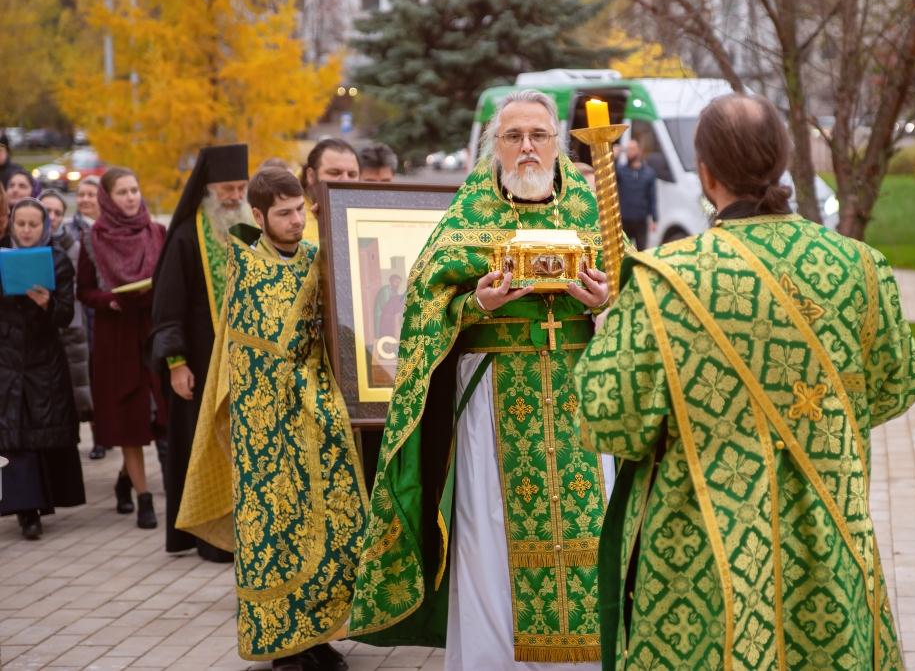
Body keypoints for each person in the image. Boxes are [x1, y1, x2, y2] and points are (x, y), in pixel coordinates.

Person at [575, 93, 915, 670]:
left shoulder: (666, 281)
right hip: (828, 535)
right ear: (783, 163)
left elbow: (609, 420)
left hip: (701, 555)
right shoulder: (860, 266)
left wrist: (612, 330)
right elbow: (898, 384)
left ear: (706, 173)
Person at [349, 89, 614, 668]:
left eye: (538, 136)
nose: (525, 148)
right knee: (489, 537)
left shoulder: (594, 211)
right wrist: (476, 303)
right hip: (493, 400)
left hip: (577, 400)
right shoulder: (469, 213)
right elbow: (423, 305)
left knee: (590, 535)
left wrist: (605, 304)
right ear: (494, 144)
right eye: (512, 136)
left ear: (557, 144)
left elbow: (633, 300)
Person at [176, 167, 367, 671]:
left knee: (330, 527)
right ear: (258, 216)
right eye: (284, 213)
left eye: (300, 210)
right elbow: (251, 354)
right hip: (266, 426)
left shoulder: (314, 258)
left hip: (319, 416)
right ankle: (281, 644)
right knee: (276, 530)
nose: (296, 221)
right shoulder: (246, 266)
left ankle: (320, 634)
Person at [151, 144, 250, 563]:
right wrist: (176, 364)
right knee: (198, 448)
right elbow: (167, 306)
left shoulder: (250, 231)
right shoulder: (187, 237)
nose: (234, 197)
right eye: (228, 188)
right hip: (200, 363)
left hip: (246, 365)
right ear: (209, 189)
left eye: (241, 188)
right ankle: (208, 538)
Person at [78, 167, 167, 530]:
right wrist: (108, 300)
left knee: (159, 415)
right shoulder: (93, 239)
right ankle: (144, 499)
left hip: (152, 331)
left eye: (134, 190)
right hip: (116, 337)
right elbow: (83, 290)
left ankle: (124, 479)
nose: (131, 198)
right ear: (107, 199)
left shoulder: (156, 232)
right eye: (122, 193)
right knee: (130, 420)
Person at [0, 198, 85, 540]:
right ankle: (25, 510)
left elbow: (66, 315)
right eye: (20, 223)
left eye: (33, 224)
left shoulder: (58, 260)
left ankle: (41, 504)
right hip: (6, 359)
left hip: (44, 359)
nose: (26, 230)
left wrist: (48, 303)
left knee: (40, 432)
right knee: (14, 435)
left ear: (45, 226)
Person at [39, 189, 94, 428]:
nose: (52, 216)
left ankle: (90, 430)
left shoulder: (73, 245)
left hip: (71, 322)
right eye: (47, 211)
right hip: (41, 325)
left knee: (79, 381)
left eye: (57, 212)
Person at [72, 176, 107, 459]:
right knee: (88, 377)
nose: (84, 199)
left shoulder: (109, 230)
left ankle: (104, 433)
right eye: (80, 194)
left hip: (104, 314)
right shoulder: (73, 231)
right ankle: (97, 436)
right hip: (81, 315)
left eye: (90, 194)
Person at [299, 138, 360, 242]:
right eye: (334, 173)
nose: (345, 180)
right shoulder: (290, 221)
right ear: (311, 176)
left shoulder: (371, 216)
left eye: (352, 175)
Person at [614, 139, 657, 250]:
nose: (630, 152)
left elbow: (652, 197)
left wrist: (654, 219)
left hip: (641, 220)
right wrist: (614, 157)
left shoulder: (649, 173)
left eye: (632, 149)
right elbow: (608, 175)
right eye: (628, 149)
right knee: (624, 250)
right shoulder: (621, 171)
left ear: (639, 151)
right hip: (624, 220)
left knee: (642, 251)